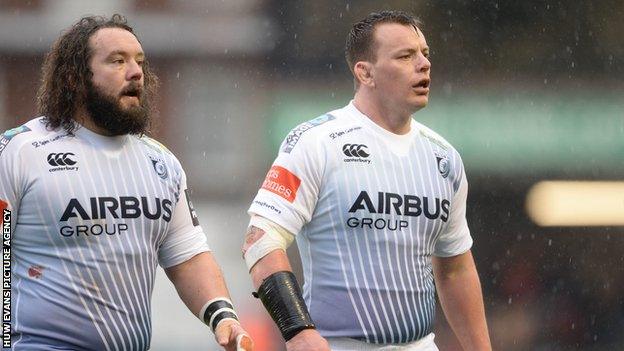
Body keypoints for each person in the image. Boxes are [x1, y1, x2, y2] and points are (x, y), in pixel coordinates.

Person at [242, 10, 491, 351]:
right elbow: (260, 241)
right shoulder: (315, 142)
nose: (423, 65)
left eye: (425, 54)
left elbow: (455, 269)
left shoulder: (444, 158)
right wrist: (298, 332)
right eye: (405, 56)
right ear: (365, 72)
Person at [0, 15, 252, 351]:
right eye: (117, 61)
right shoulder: (19, 152)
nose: (136, 72)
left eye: (139, 62)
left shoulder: (162, 163)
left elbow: (188, 256)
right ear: (76, 78)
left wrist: (223, 317)